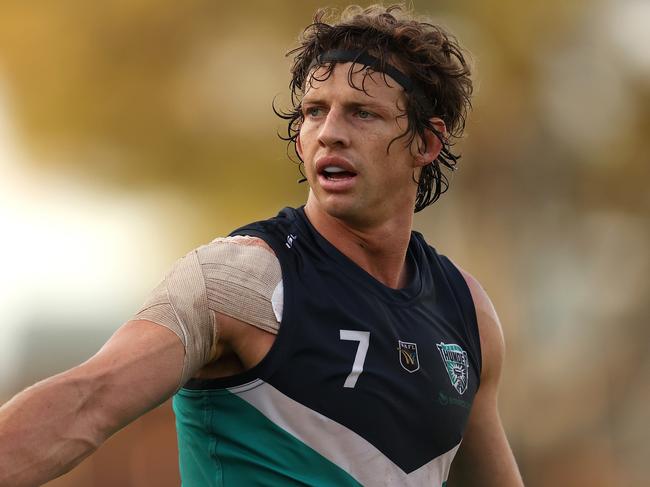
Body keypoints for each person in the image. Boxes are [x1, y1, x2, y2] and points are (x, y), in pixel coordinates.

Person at [0, 4, 523, 486]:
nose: (329, 133)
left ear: (427, 142)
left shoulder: (466, 314)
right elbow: (86, 402)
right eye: (315, 111)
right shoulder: (241, 280)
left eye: (362, 113)